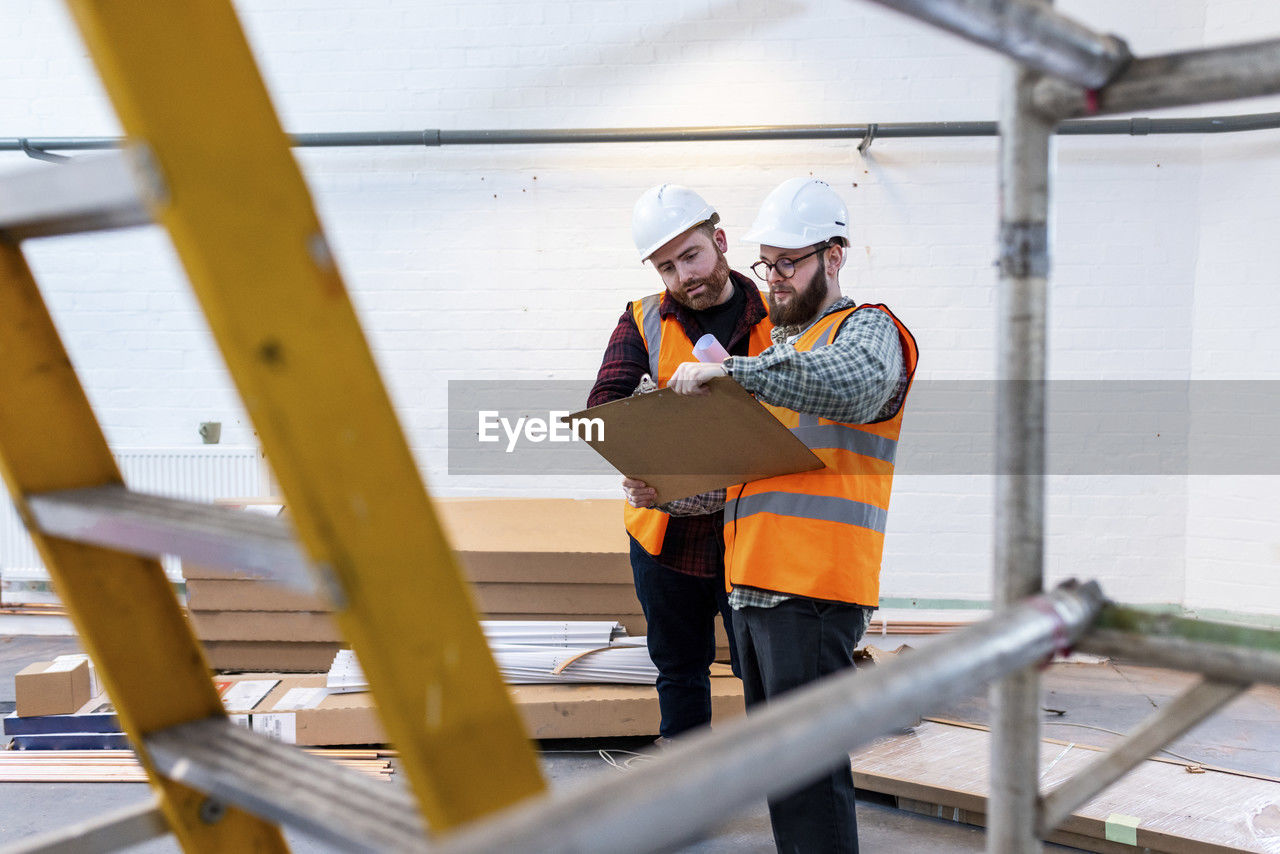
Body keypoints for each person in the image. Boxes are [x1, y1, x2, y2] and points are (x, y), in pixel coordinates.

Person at [625, 177, 918, 853]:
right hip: (757, 592)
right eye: (769, 265)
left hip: (813, 589)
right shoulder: (783, 355)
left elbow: (854, 386)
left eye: (791, 263)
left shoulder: (867, 329)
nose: (777, 279)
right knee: (786, 775)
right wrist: (665, 490)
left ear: (834, 256)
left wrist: (736, 373)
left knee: (807, 777)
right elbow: (746, 477)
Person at [588, 184, 774, 742]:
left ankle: (781, 792)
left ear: (719, 241)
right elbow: (605, 406)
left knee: (761, 672)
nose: (683, 275)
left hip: (755, 528)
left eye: (691, 255)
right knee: (678, 669)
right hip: (666, 535)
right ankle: (689, 797)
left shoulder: (777, 314)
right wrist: (639, 458)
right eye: (666, 266)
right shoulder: (641, 319)